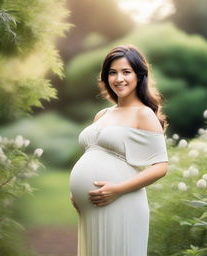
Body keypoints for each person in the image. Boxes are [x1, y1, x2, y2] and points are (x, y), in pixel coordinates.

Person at [69, 45, 169, 256]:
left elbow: (160, 166)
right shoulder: (103, 114)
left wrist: (117, 189)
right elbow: (92, 154)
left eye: (126, 72)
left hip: (121, 201)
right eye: (112, 72)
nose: (118, 78)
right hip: (93, 207)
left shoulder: (143, 114)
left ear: (139, 76)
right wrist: (75, 193)